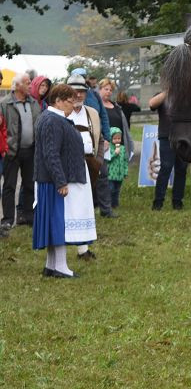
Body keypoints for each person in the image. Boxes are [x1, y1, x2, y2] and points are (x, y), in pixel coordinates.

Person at [32, 84, 88, 278]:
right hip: (52, 181)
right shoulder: (52, 120)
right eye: (70, 101)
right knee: (57, 224)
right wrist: (61, 181)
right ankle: (61, 267)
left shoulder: (52, 118)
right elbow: (51, 154)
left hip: (50, 180)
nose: (73, 105)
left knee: (53, 223)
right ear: (58, 100)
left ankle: (51, 265)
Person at [65, 74, 101, 261]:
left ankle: (83, 249)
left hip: (88, 164)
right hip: (66, 166)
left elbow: (100, 139)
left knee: (85, 207)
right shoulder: (61, 112)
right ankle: (61, 248)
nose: (78, 95)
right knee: (67, 207)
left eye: (81, 91)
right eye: (74, 91)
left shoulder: (92, 113)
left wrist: (99, 161)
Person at [1, 72, 42, 232]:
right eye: (27, 83)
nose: (30, 85)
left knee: (30, 185)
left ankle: (29, 216)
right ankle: (7, 220)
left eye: (30, 82)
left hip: (30, 151)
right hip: (11, 152)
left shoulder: (34, 103)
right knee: (9, 187)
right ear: (18, 85)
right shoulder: (5, 103)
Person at [94, 78, 132, 218]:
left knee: (117, 175)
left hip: (118, 146)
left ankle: (113, 202)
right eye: (106, 89)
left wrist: (128, 145)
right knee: (105, 176)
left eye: (110, 90)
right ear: (99, 89)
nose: (108, 92)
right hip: (103, 146)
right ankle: (103, 203)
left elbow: (125, 128)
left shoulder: (116, 107)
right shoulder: (97, 107)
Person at [149, 90, 189, 210]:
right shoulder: (162, 95)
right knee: (166, 167)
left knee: (181, 169)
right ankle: (158, 202)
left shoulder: (186, 95)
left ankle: (177, 201)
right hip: (167, 136)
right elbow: (151, 104)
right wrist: (168, 91)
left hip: (184, 137)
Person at [103, 127, 129, 211]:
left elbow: (125, 161)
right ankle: (108, 204)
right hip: (111, 174)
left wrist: (125, 172)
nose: (117, 140)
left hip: (120, 174)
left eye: (119, 138)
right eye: (115, 138)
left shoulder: (123, 148)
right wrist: (115, 153)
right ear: (111, 139)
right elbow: (108, 159)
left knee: (117, 190)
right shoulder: (109, 148)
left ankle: (115, 204)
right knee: (111, 189)